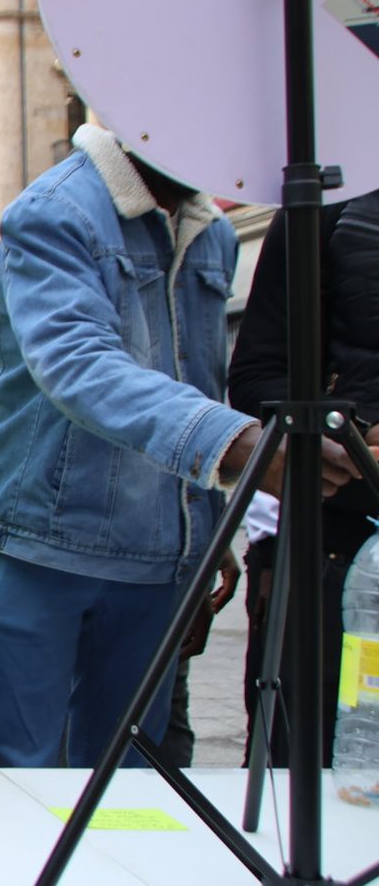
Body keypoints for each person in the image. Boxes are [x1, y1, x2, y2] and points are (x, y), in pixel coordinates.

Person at [0, 123, 356, 769]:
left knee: (131, 785)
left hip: (153, 556)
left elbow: (197, 377)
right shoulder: (53, 212)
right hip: (41, 540)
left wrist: (203, 532)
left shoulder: (216, 234)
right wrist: (239, 447)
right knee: (20, 781)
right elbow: (79, 364)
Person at [228, 185, 379, 766]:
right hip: (343, 546)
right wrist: (341, 430)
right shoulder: (325, 200)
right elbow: (259, 377)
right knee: (315, 769)